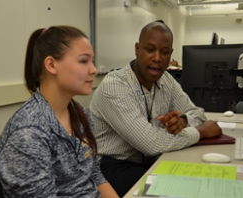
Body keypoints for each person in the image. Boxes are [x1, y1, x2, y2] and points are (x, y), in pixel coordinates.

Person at [89, 20, 222, 197]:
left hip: (157, 159)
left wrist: (183, 121)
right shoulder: (114, 86)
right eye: (150, 50)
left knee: (201, 184)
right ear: (137, 49)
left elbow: (197, 113)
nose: (157, 58)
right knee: (173, 193)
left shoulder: (166, 80)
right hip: (116, 165)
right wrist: (200, 132)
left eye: (165, 52)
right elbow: (150, 143)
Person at [0, 26, 119, 198]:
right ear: (51, 65)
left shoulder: (80, 114)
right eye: (84, 61)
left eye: (92, 61)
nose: (94, 69)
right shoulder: (29, 133)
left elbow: (95, 175)